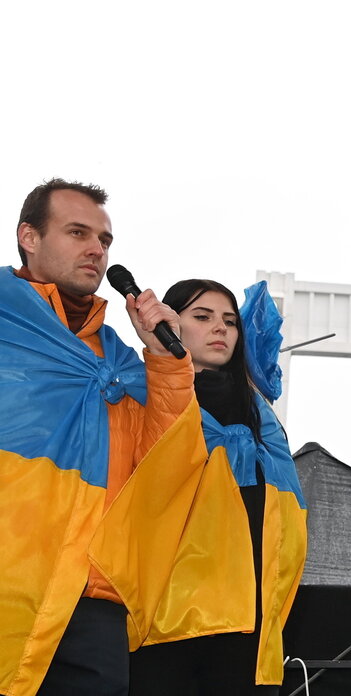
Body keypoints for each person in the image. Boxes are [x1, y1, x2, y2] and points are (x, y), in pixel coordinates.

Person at [0, 179, 197, 696]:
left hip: (91, 602)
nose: (97, 250)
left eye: (105, 240)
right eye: (78, 232)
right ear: (29, 237)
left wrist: (164, 361)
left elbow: (166, 461)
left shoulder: (120, 360)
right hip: (8, 583)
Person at [128, 279, 307, 696]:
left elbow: (285, 514)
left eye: (230, 321)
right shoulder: (141, 395)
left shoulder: (260, 414)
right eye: (202, 317)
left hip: (251, 612)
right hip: (168, 615)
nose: (221, 329)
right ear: (171, 321)